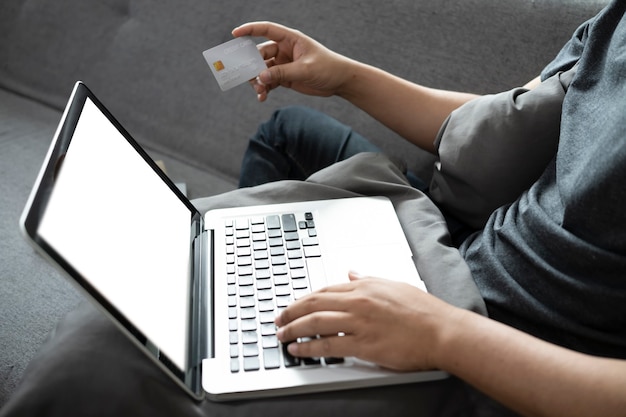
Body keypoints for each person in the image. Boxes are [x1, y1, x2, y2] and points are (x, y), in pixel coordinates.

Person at [230, 1, 626, 416]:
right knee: (286, 133)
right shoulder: (614, 21)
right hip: (469, 245)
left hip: (501, 345)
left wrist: (440, 334)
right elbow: (501, 126)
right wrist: (343, 76)